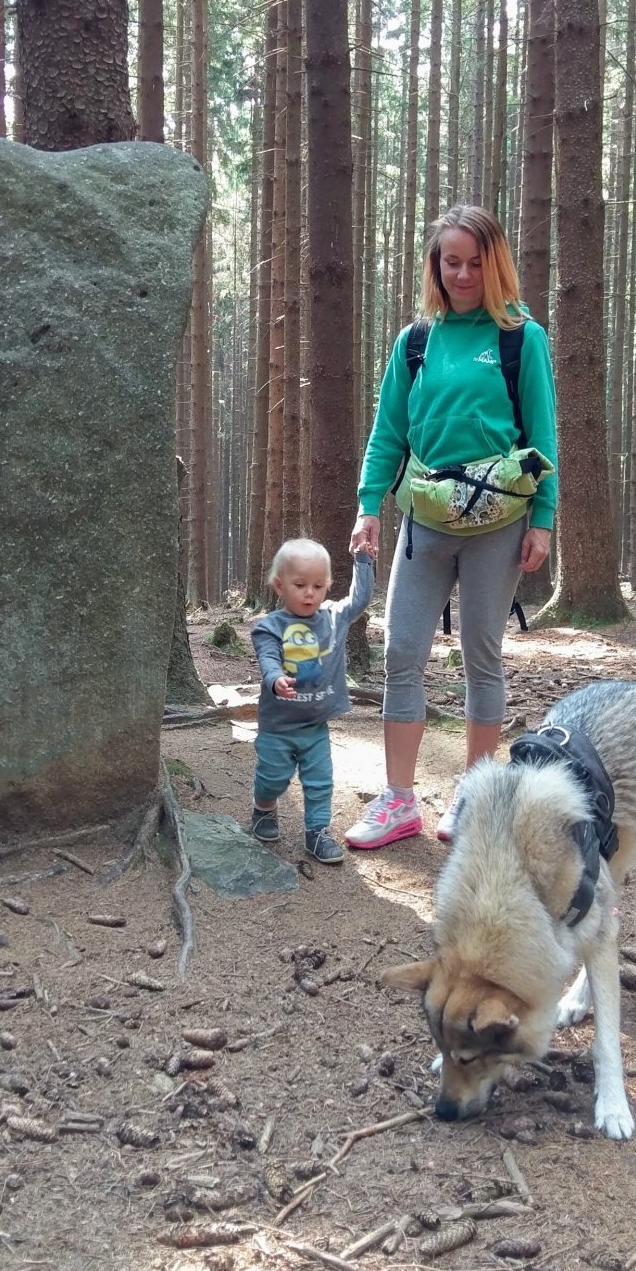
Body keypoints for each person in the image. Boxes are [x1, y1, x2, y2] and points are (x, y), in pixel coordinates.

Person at [345, 205, 556, 849]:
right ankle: (398, 799)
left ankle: (475, 797)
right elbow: (389, 432)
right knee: (403, 651)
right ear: (435, 266)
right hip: (424, 522)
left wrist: (543, 522)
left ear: (494, 265)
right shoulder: (416, 342)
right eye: (450, 261)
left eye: (474, 262)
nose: (462, 274)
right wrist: (368, 506)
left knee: (481, 656)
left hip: (500, 521)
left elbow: (542, 434)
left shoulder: (521, 337)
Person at [248, 537, 376, 865]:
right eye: (300, 584)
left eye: (318, 586)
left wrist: (363, 561)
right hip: (278, 726)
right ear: (280, 585)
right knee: (272, 778)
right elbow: (267, 657)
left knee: (320, 782)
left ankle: (317, 832)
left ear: (327, 586)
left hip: (315, 726)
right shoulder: (270, 626)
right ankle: (263, 809)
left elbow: (360, 600)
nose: (310, 593)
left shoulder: (333, 618)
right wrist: (275, 679)